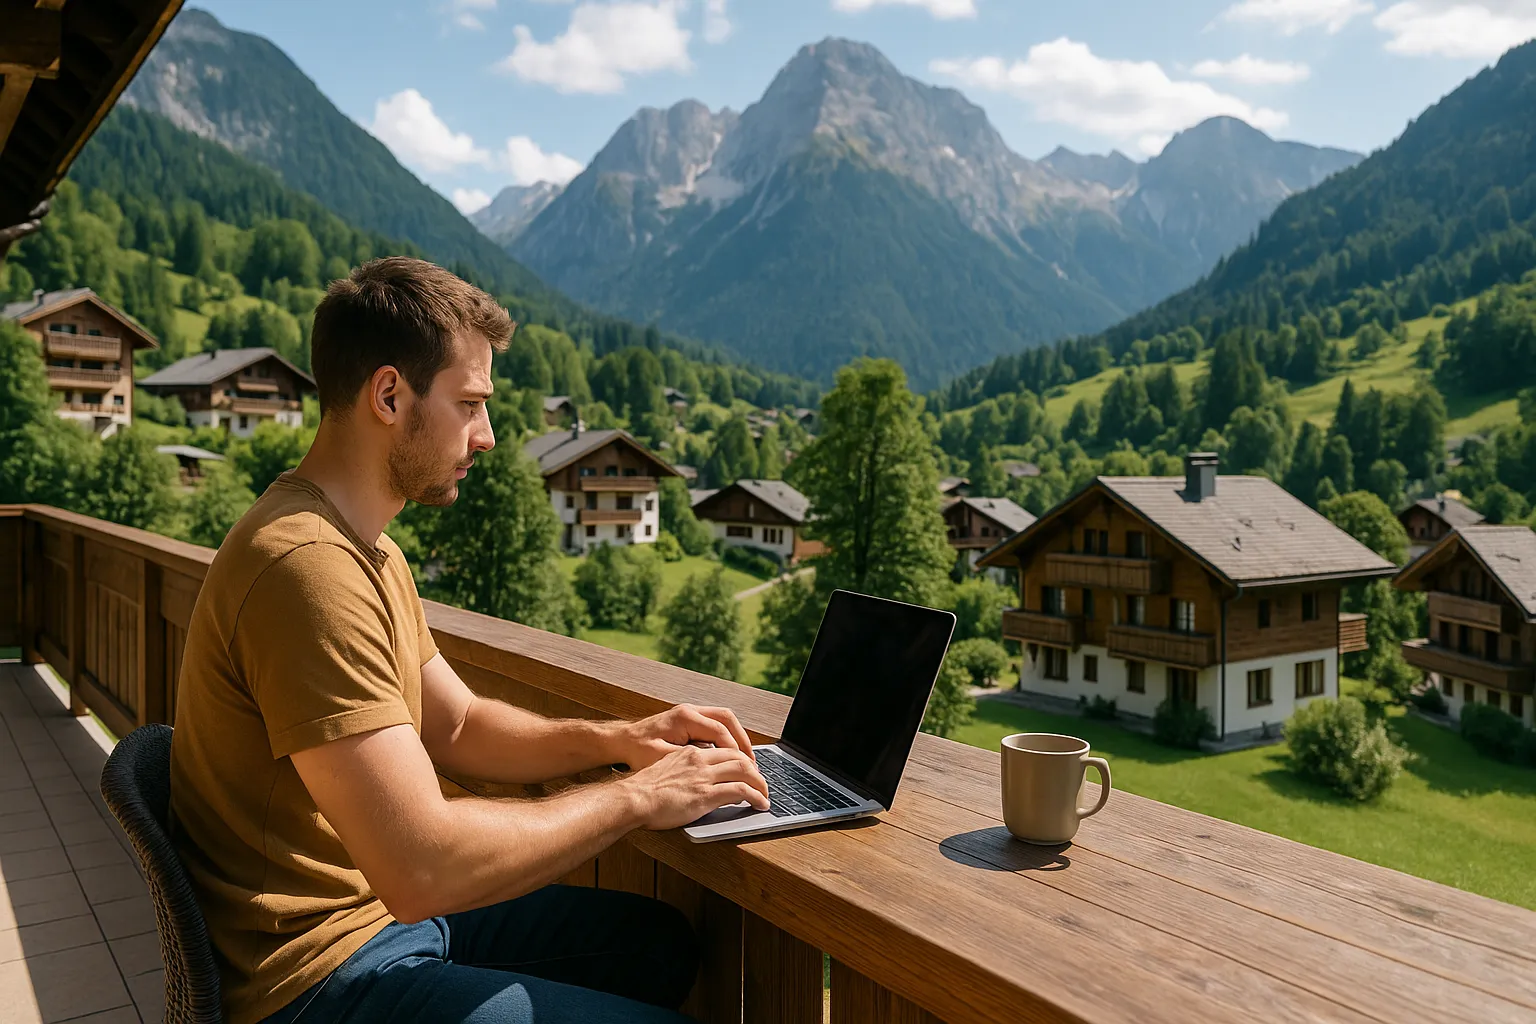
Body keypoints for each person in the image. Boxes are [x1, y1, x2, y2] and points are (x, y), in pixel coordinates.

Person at [169, 257, 771, 1024]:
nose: (487, 437)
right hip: (310, 980)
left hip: (377, 923)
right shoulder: (305, 568)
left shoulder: (368, 549)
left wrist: (621, 737)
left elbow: (453, 724)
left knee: (661, 947)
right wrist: (638, 795)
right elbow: (421, 864)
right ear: (389, 394)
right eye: (470, 404)